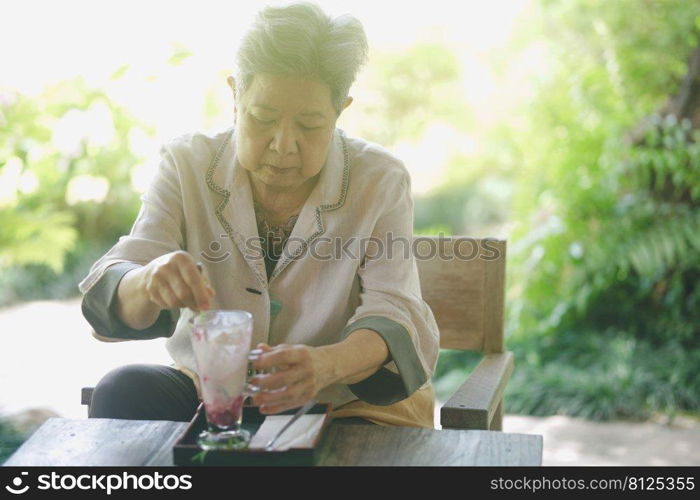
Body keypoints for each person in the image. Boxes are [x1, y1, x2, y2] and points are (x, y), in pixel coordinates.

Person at [79, 1, 439, 428]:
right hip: (212, 392)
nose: (283, 145)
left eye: (309, 125)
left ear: (340, 109)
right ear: (235, 95)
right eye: (263, 118)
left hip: (343, 401)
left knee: (348, 455)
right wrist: (149, 282)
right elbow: (123, 280)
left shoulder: (380, 179)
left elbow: (393, 309)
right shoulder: (186, 163)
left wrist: (325, 365)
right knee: (124, 391)